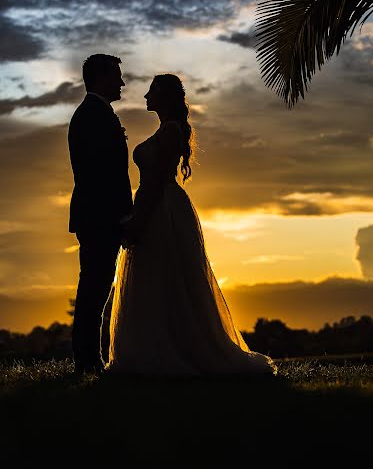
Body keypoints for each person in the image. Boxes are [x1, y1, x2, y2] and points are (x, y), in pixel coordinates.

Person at [104, 73, 278, 377]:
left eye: (151, 91)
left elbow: (156, 182)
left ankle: (176, 353)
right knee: (156, 279)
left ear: (165, 96)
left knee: (167, 276)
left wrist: (138, 219)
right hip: (156, 204)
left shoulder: (171, 131)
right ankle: (153, 349)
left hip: (162, 209)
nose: (145, 96)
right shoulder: (166, 130)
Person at [68, 53, 133, 374]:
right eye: (117, 76)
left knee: (96, 286)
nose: (122, 82)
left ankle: (88, 358)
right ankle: (87, 360)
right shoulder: (93, 115)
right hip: (99, 218)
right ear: (101, 77)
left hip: (97, 216)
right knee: (94, 287)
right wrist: (122, 216)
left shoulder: (96, 113)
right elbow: (102, 175)